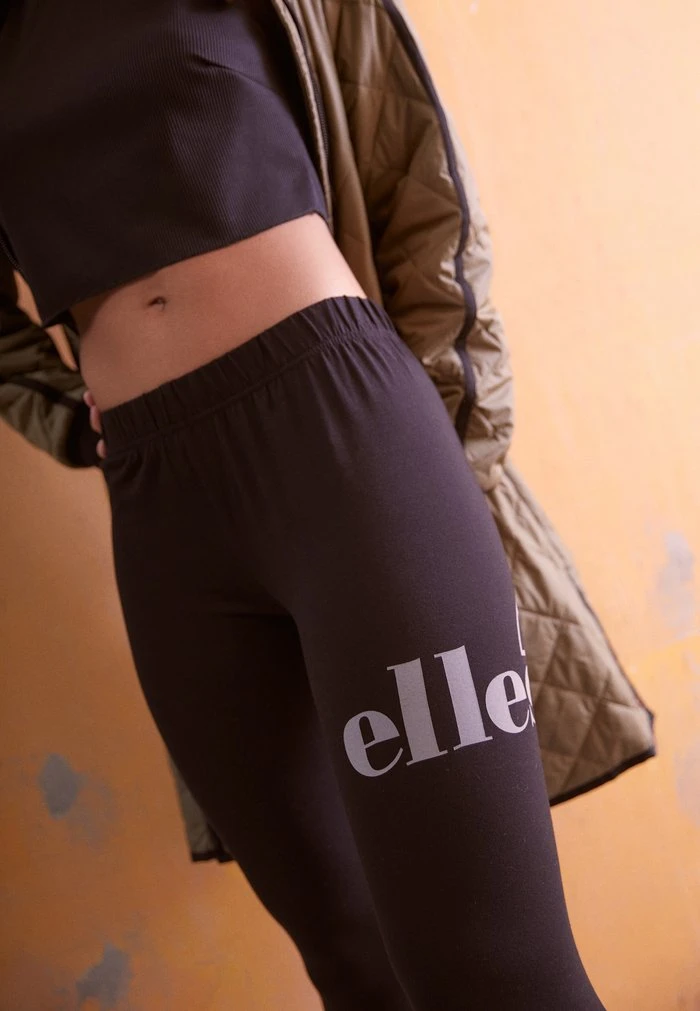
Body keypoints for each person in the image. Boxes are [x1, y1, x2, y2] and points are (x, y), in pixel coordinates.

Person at [0, 1, 614, 1007]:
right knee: (350, 960)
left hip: (338, 438)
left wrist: (438, 482)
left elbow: (423, 188)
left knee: (490, 971)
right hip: (158, 505)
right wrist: (71, 417)